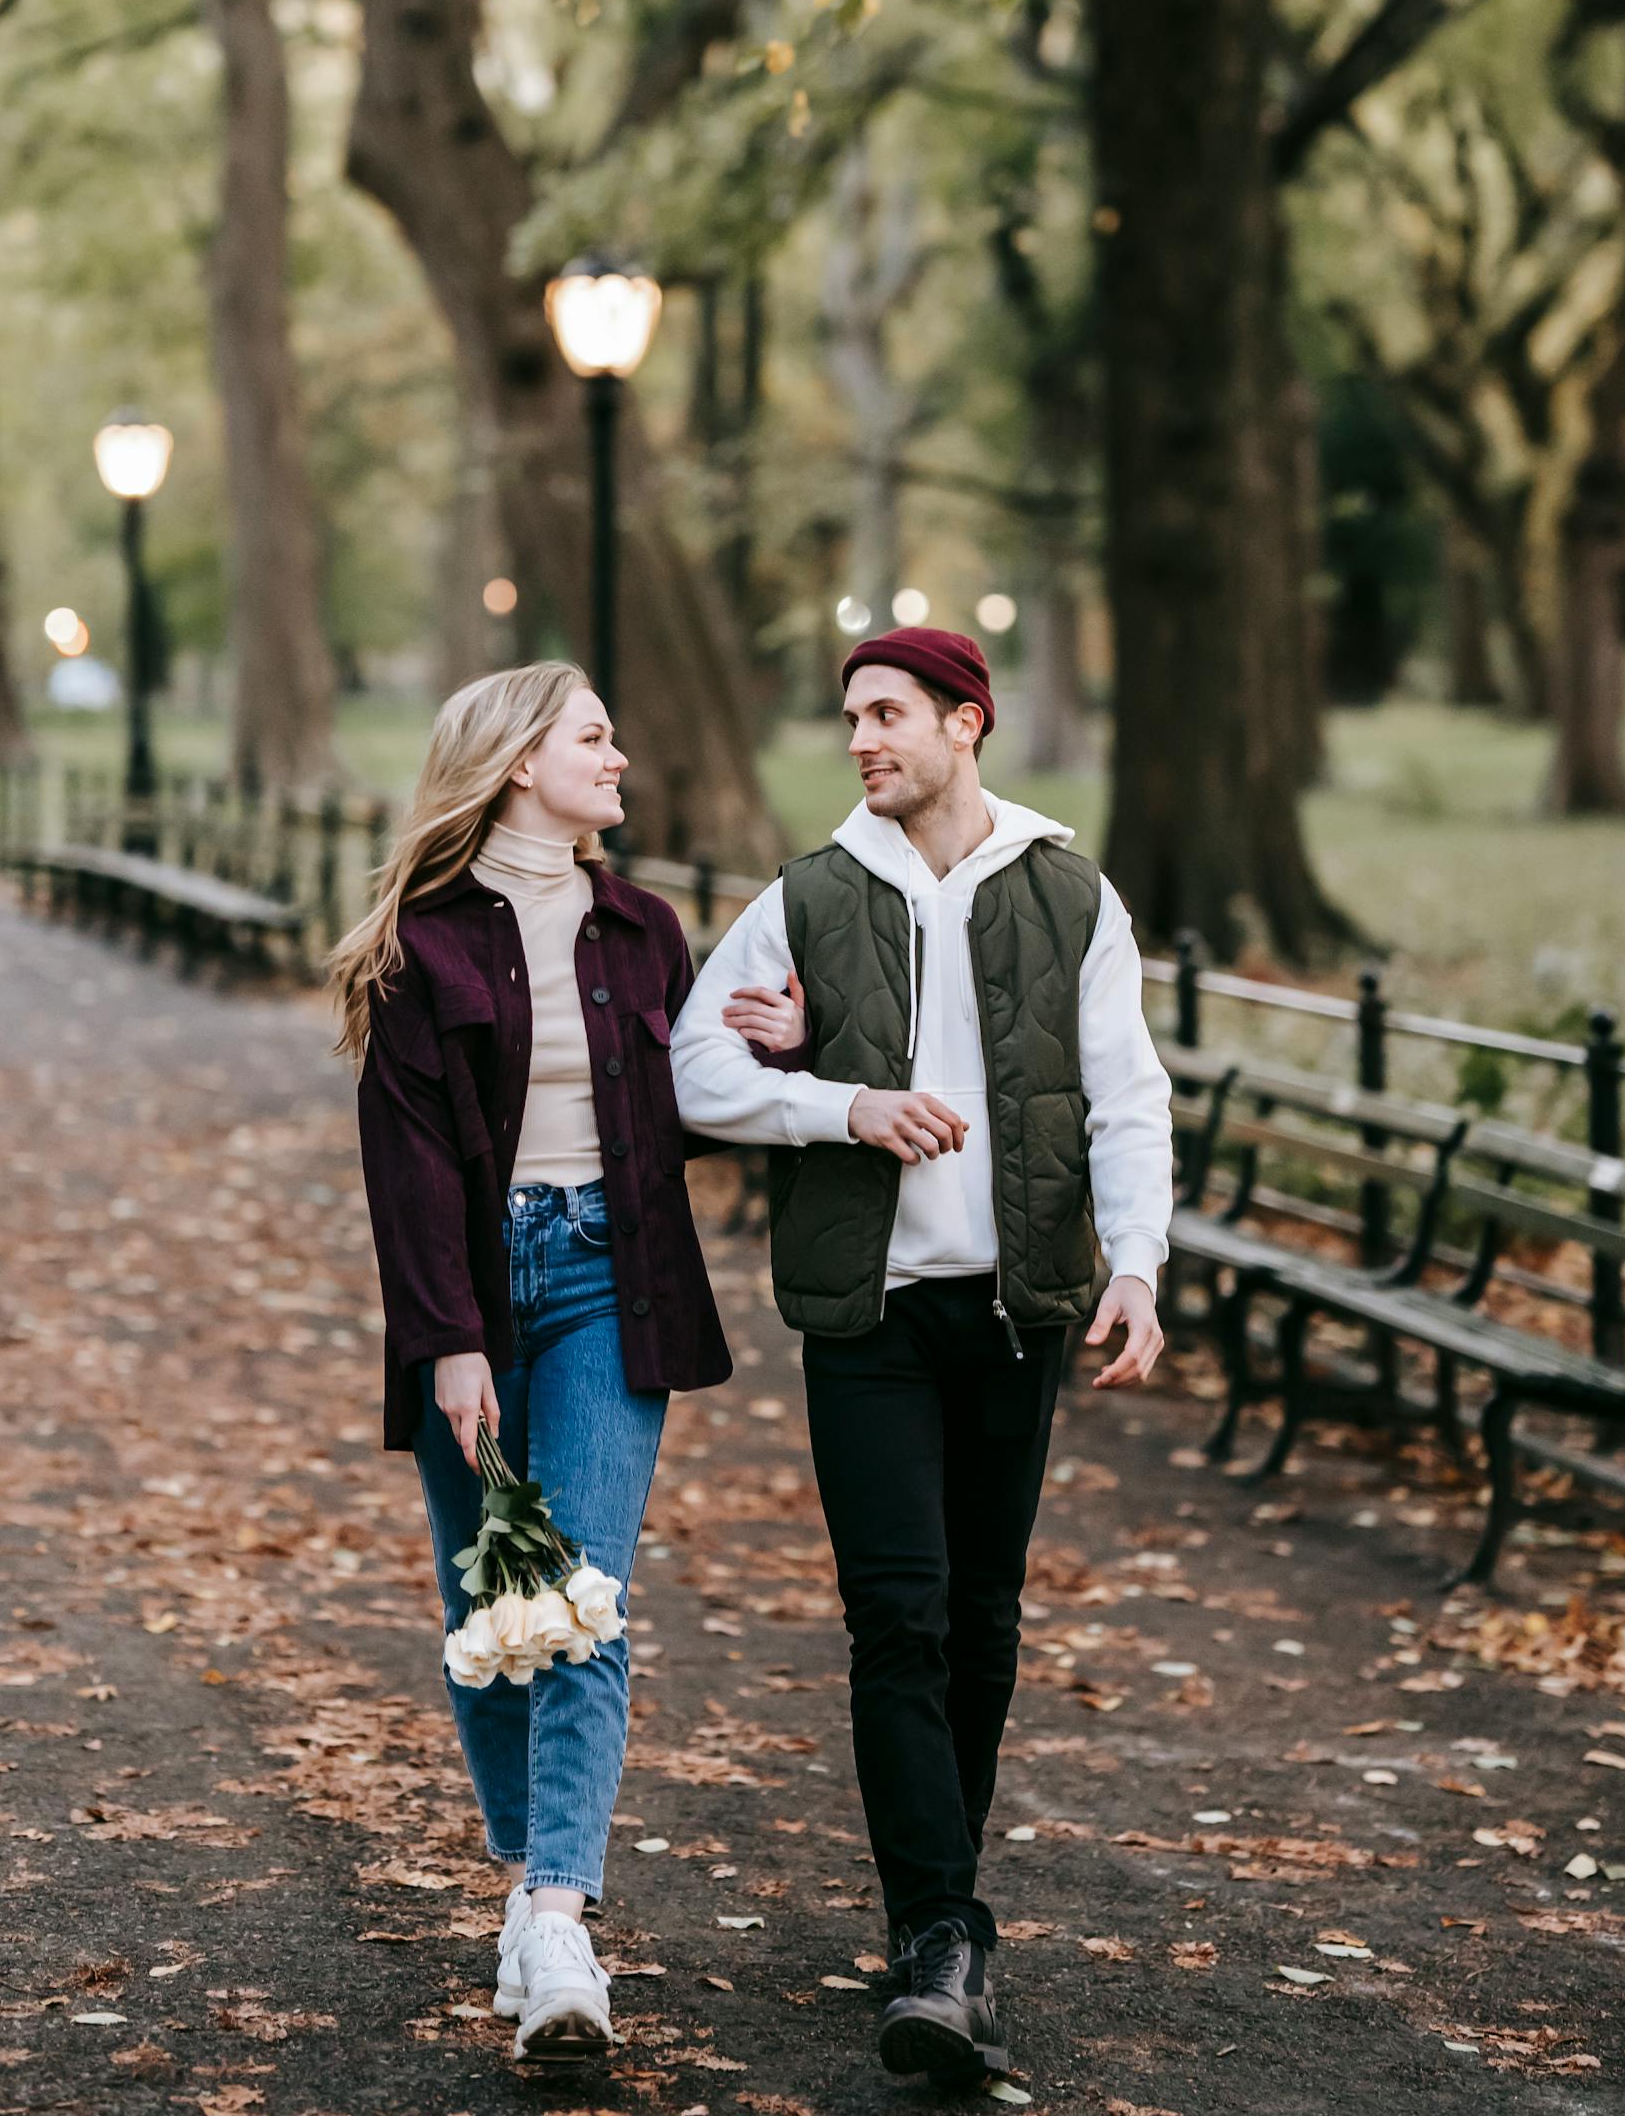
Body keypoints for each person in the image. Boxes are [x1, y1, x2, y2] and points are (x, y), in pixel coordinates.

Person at [671, 626, 1174, 2088]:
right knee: (897, 1617)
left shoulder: (1072, 895)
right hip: (872, 1318)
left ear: (969, 722)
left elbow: (1126, 1096)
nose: (860, 740)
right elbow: (697, 1068)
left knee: (984, 1619)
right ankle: (941, 1933)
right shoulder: (808, 896)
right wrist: (837, 1103)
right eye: (850, 717)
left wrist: (1134, 1266)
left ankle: (938, 1922)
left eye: (887, 714)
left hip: (1017, 1315)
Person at [332, 663, 790, 2060]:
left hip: (610, 1282)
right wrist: (449, 1344)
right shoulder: (422, 946)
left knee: (577, 1596)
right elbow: (404, 1167)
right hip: (479, 1293)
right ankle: (533, 1887)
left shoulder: (644, 931)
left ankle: (555, 1913)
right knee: (494, 1612)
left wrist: (779, 1048)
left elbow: (676, 1111)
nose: (623, 754)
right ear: (523, 758)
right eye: (597, 735)